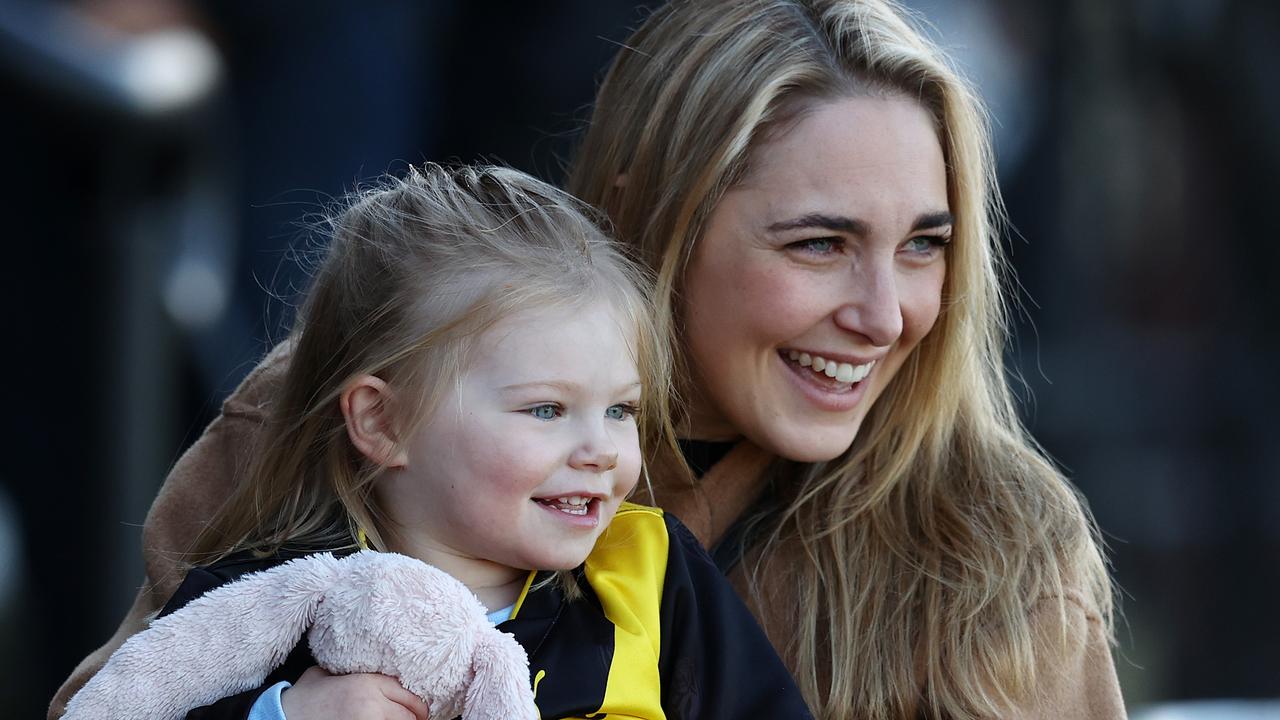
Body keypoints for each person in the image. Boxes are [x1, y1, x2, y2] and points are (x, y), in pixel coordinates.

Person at [52, 1, 1125, 718]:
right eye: (819, 244)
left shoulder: (991, 548)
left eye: (924, 246)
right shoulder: (374, 392)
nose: (886, 314)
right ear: (652, 217)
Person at [61, 163, 814, 719]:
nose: (602, 449)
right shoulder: (274, 592)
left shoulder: (652, 574)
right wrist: (282, 715)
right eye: (547, 410)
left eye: (621, 411)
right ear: (383, 423)